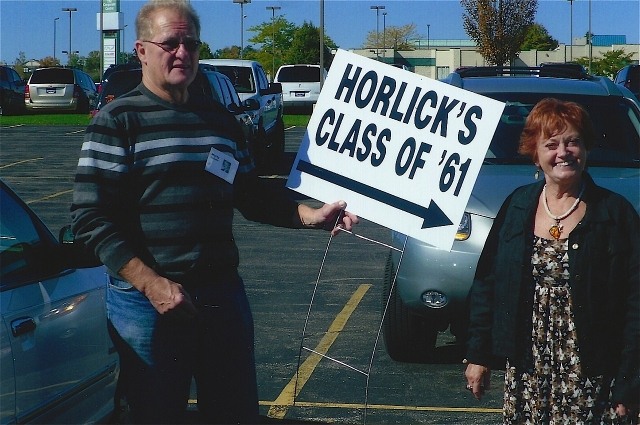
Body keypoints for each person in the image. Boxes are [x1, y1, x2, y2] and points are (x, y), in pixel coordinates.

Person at [70, 0, 358, 423]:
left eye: (191, 43)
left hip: (221, 298)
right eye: (170, 43)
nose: (182, 53)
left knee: (234, 412)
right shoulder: (117, 120)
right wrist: (152, 284)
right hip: (146, 307)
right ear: (142, 50)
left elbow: (249, 193)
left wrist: (309, 214)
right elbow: (89, 220)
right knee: (154, 414)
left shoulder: (219, 120)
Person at [464, 98, 639, 424]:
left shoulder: (615, 214)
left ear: (586, 148)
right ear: (536, 152)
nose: (563, 152)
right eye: (552, 144)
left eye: (573, 141)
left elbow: (636, 304)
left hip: (593, 370)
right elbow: (487, 283)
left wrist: (630, 382)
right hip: (528, 370)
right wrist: (478, 356)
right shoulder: (517, 206)